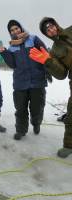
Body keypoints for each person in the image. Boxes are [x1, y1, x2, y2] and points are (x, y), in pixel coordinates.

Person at [29, 17, 72, 158]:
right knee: (71, 116)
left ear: (56, 24)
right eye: (47, 30)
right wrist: (48, 61)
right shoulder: (54, 51)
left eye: (51, 26)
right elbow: (61, 74)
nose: (51, 30)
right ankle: (69, 145)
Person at [0, 20, 48, 140]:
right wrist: (5, 53)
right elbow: (12, 64)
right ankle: (21, 130)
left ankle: (36, 123)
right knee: (20, 108)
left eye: (16, 28)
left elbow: (45, 53)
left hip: (37, 81)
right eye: (12, 30)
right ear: (10, 33)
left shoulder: (33, 39)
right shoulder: (12, 47)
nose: (15, 31)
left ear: (21, 28)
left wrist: (47, 70)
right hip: (20, 82)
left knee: (37, 108)